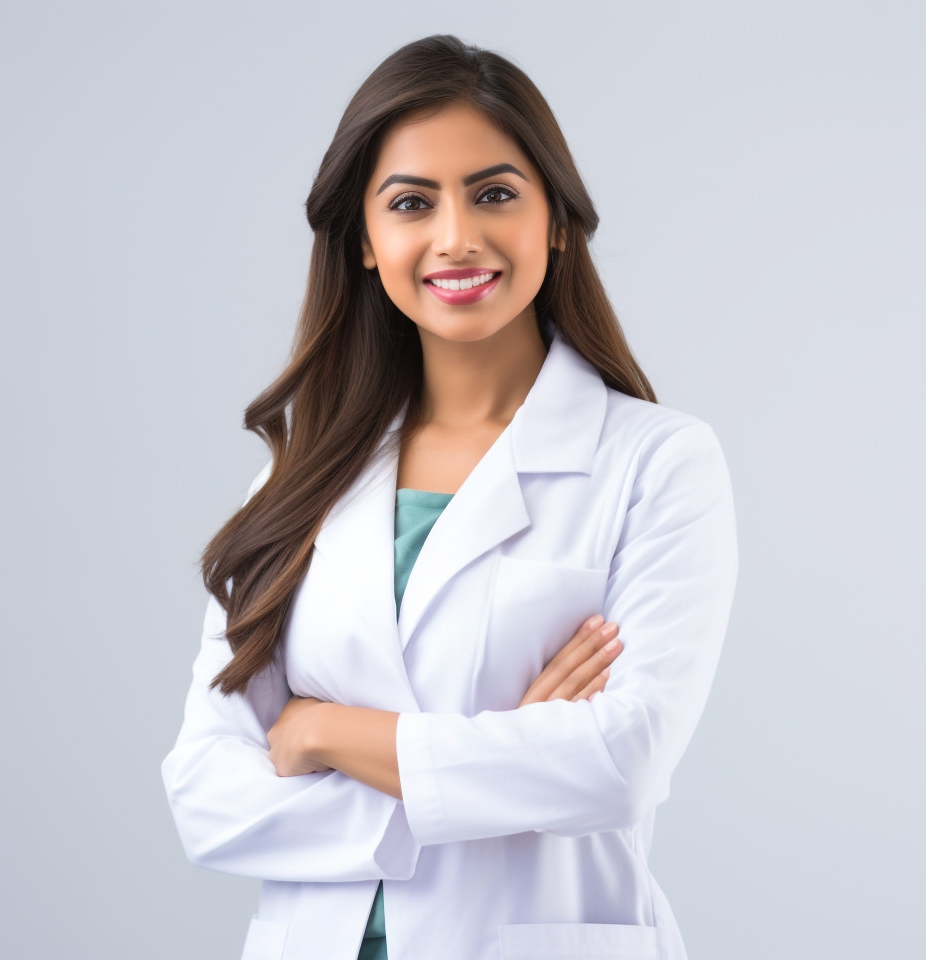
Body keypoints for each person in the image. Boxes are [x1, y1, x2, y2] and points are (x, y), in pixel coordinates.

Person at [161, 33, 739, 960]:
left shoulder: (658, 464)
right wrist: (494, 769)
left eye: (495, 194)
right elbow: (205, 793)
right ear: (363, 240)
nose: (456, 237)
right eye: (412, 203)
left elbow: (619, 765)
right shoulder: (300, 474)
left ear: (556, 220)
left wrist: (325, 732)